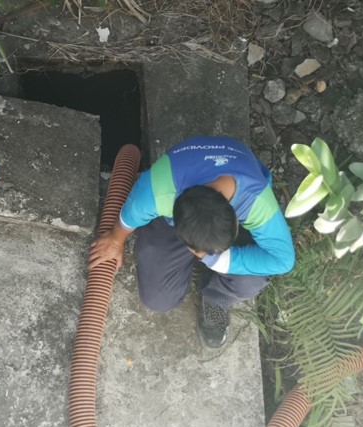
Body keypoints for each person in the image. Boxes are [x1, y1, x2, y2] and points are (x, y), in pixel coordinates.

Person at [89, 136, 295, 348]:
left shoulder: (256, 200)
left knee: (250, 280)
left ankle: (217, 298)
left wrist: (217, 261)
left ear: (233, 216)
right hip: (178, 194)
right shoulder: (155, 193)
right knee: (158, 300)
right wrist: (114, 241)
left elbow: (284, 260)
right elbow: (128, 218)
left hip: (227, 189)